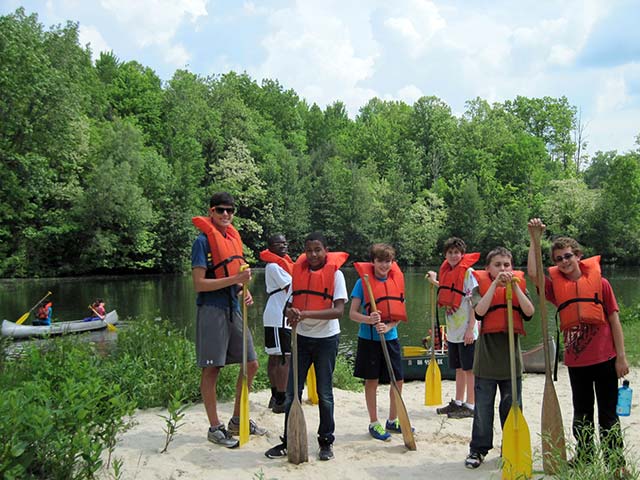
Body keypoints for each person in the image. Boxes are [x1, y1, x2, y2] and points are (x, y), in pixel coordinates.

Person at [527, 218, 630, 476]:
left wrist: (621, 358)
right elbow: (533, 274)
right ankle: (584, 456)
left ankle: (616, 463)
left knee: (608, 415)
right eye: (559, 258)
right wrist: (534, 240)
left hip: (605, 359)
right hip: (576, 362)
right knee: (582, 413)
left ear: (579, 256)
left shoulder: (601, 284)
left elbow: (614, 320)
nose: (563, 261)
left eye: (568, 256)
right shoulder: (555, 288)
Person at [191, 191, 266, 449]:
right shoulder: (201, 242)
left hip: (233, 307)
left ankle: (237, 419)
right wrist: (234, 281)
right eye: (220, 210)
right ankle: (214, 427)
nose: (225, 215)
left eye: (230, 211)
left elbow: (235, 278)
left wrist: (243, 291)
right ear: (211, 211)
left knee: (252, 363)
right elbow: (199, 284)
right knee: (212, 368)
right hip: (211, 309)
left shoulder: (232, 240)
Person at [264, 231, 348, 461]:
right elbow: (287, 306)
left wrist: (305, 314)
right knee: (292, 393)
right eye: (309, 250)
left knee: (324, 393)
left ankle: (326, 441)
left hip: (326, 340)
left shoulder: (336, 275)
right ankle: (288, 439)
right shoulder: (298, 274)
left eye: (317, 250)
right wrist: (290, 311)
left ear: (325, 250)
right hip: (301, 339)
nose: (312, 254)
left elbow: (339, 311)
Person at [464, 247, 535, 469]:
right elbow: (480, 312)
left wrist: (513, 286)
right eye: (498, 265)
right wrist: (494, 285)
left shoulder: (519, 287)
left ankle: (510, 447)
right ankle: (478, 450)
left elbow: (530, 312)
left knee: (511, 407)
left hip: (511, 364)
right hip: (486, 362)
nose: (503, 269)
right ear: (488, 269)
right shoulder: (479, 289)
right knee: (483, 410)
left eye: (507, 265)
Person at [350, 243, 408, 441]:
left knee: (398, 380)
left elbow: (400, 313)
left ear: (392, 263)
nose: (384, 265)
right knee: (372, 380)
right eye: (380, 261)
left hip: (390, 337)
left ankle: (392, 420)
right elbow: (352, 314)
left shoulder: (396, 282)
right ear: (373, 262)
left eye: (388, 261)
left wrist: (389, 326)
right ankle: (374, 422)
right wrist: (369, 320)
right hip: (369, 339)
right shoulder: (362, 283)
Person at [426, 237, 480, 419]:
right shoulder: (448, 272)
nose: (453, 255)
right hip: (453, 330)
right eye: (450, 252)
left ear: (462, 254)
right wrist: (434, 280)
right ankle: (458, 402)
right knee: (458, 368)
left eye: (457, 252)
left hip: (466, 330)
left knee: (469, 369)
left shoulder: (468, 273)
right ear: (445, 255)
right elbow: (448, 290)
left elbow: (474, 303)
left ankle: (471, 405)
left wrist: (470, 329)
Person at [260, 234, 294, 414]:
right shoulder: (273, 266)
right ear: (270, 247)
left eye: (285, 242)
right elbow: (291, 285)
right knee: (283, 356)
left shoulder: (280, 265)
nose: (283, 245)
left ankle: (275, 397)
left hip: (276, 315)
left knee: (276, 355)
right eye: (279, 243)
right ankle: (281, 398)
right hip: (278, 315)